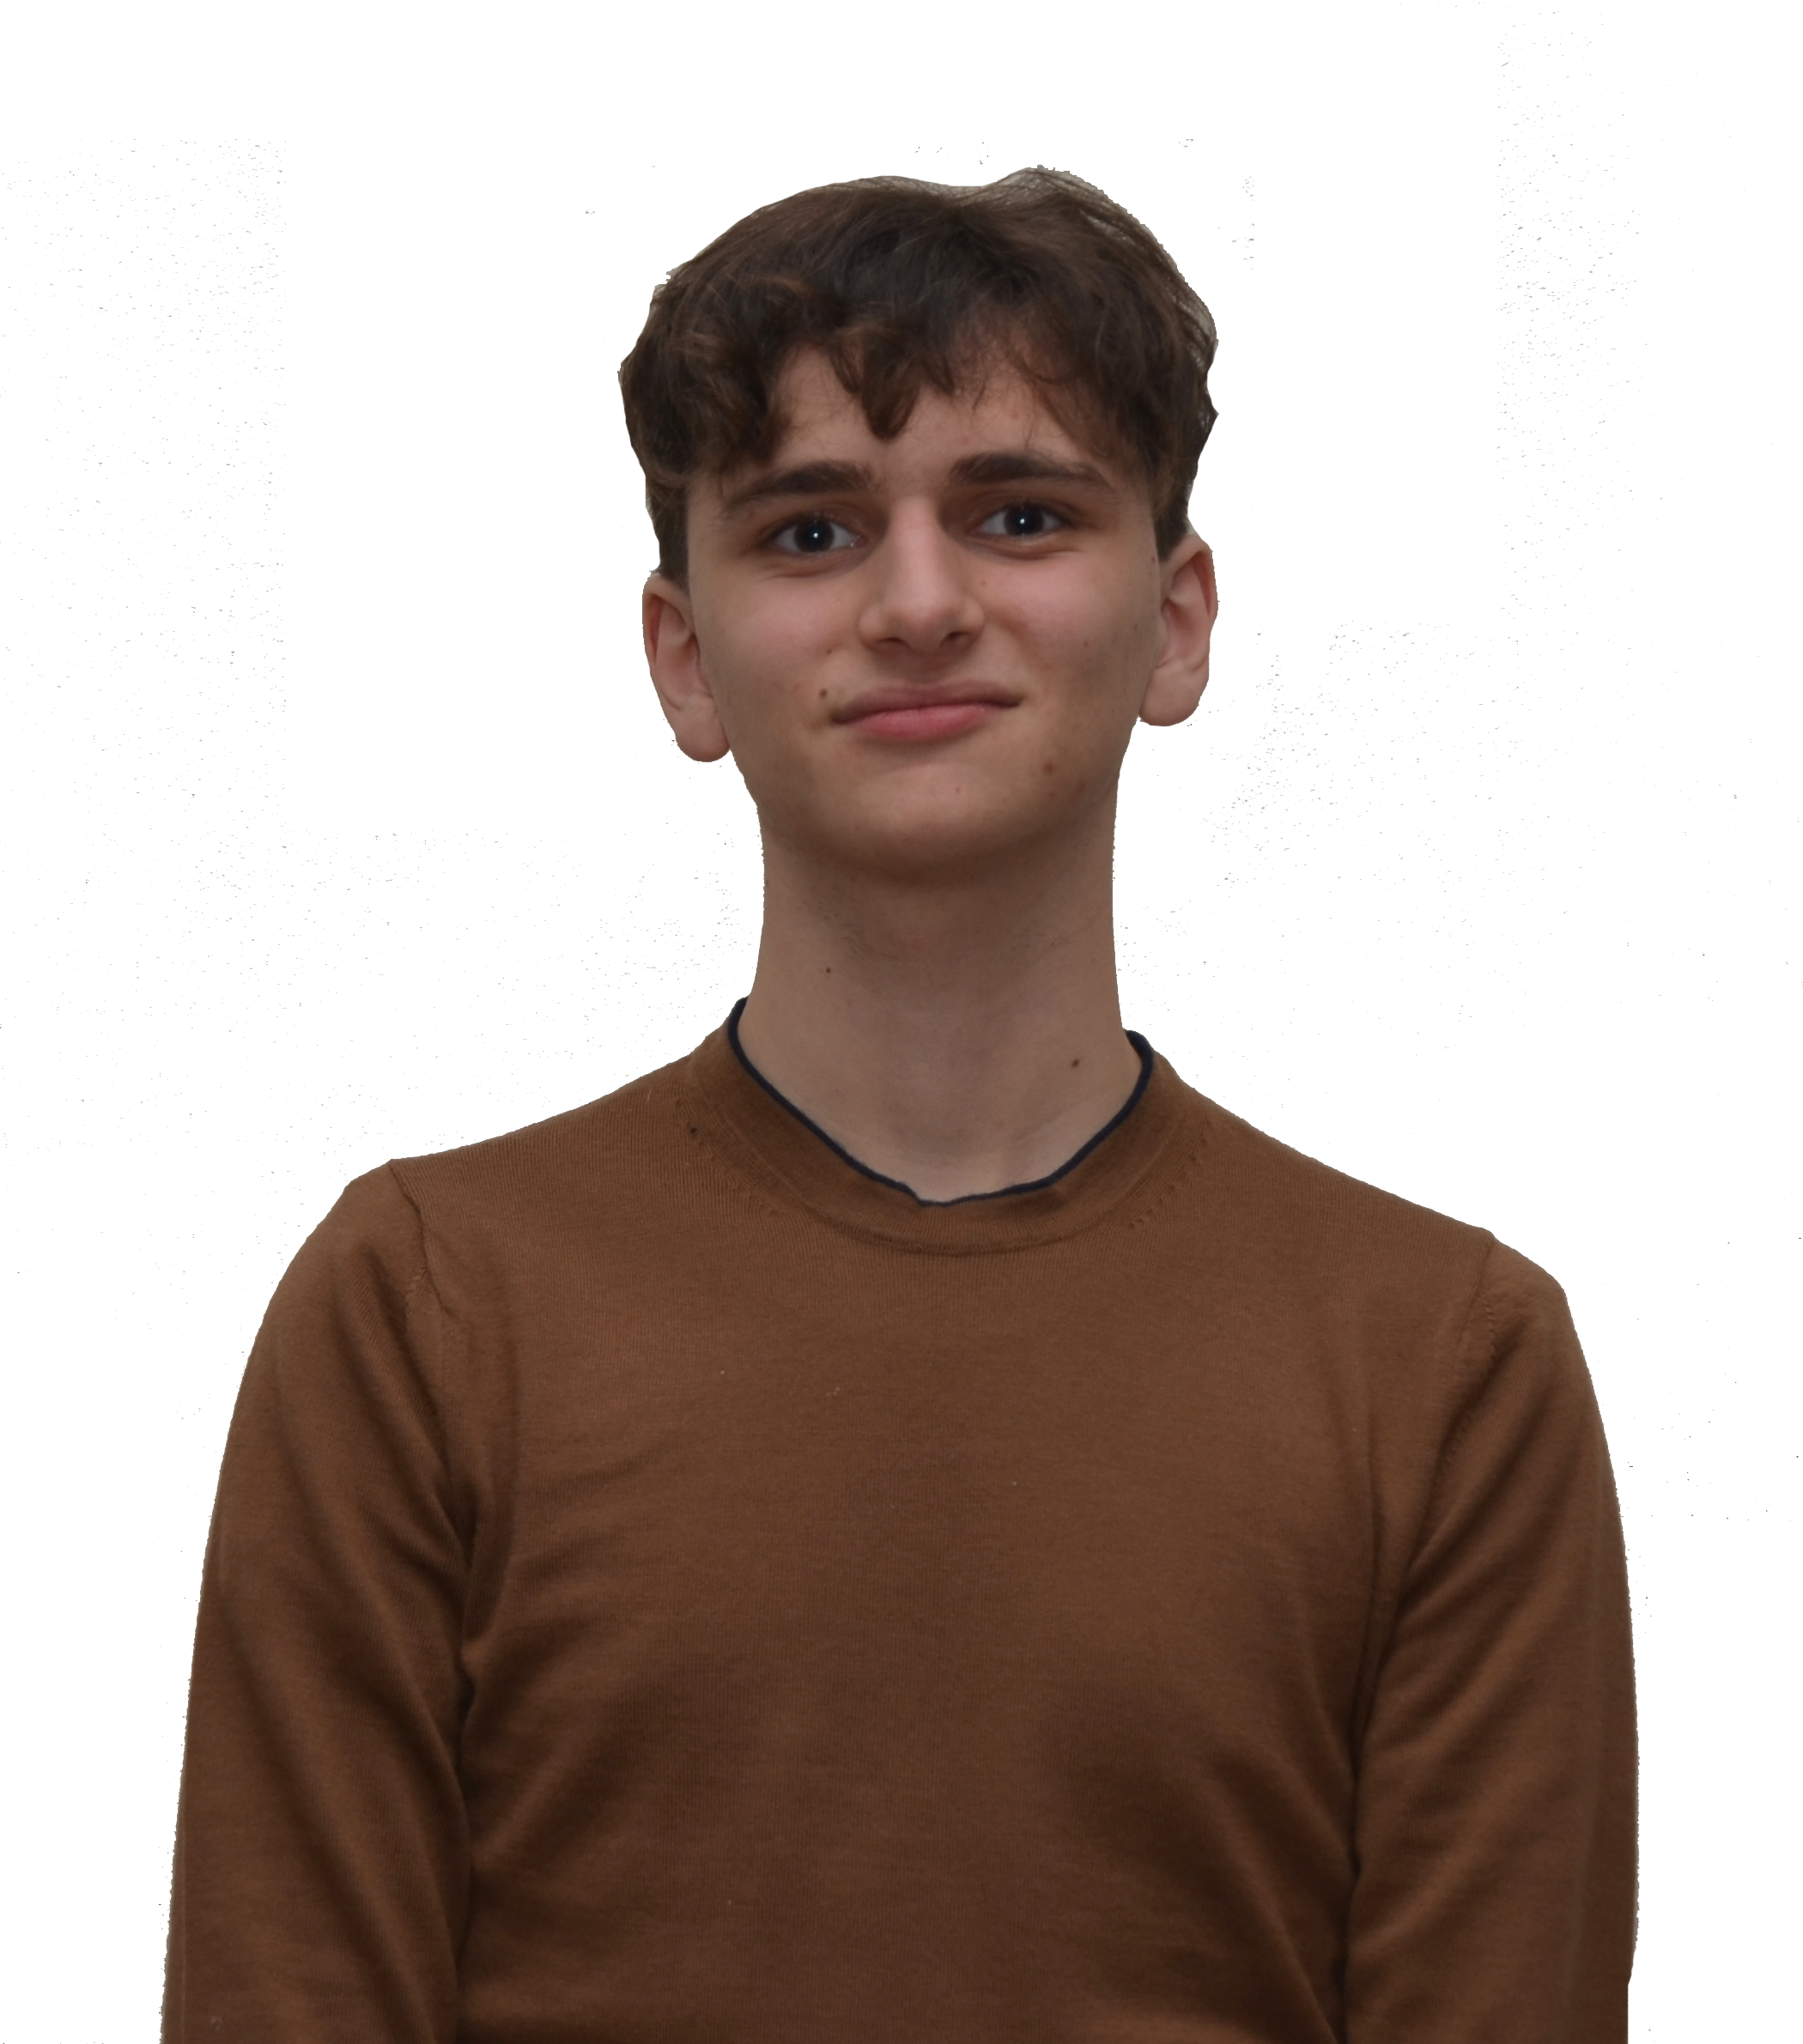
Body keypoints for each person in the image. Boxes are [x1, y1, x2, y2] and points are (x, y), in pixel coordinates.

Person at [161, 167, 1636, 2042]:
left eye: (1020, 514)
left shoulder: (1443, 1368)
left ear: (1178, 620)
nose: (921, 601)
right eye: (811, 529)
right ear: (685, 656)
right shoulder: (424, 1315)